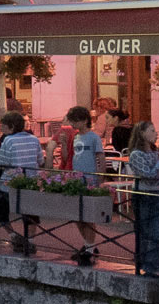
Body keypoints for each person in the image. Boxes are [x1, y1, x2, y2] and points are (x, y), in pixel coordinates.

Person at [0, 112, 42, 255]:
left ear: (11, 127)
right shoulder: (34, 139)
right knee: (31, 213)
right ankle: (30, 241)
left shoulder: (8, 140)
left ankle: (14, 236)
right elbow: (40, 160)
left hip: (10, 183)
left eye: (3, 126)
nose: (1, 129)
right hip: (31, 182)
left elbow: (3, 162)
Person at [128, 121, 159, 279]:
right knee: (145, 231)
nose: (156, 133)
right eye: (152, 130)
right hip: (144, 195)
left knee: (157, 232)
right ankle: (145, 265)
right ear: (142, 133)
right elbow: (150, 175)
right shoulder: (136, 154)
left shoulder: (154, 150)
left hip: (158, 192)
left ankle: (156, 267)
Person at [64, 106, 103, 266]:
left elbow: (100, 156)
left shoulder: (93, 138)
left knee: (87, 215)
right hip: (77, 177)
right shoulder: (75, 137)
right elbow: (69, 157)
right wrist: (65, 144)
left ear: (84, 120)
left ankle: (89, 247)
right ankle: (88, 245)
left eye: (75, 121)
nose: (72, 124)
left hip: (90, 178)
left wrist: (100, 177)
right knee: (77, 214)